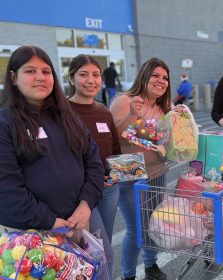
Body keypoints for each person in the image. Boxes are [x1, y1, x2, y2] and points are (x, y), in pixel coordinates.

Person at [0, 46, 104, 232]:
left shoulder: (67, 117)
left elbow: (93, 162)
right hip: (30, 233)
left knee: (102, 260)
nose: (40, 77)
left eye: (46, 71)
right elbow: (6, 185)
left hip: (76, 221)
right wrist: (48, 220)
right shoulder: (5, 123)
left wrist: (86, 203)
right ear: (14, 78)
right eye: (30, 71)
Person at [110, 57, 172, 280]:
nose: (161, 81)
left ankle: (150, 264)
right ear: (144, 76)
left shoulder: (162, 108)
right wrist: (132, 115)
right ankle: (128, 275)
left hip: (158, 171)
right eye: (155, 75)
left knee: (153, 223)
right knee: (136, 228)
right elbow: (113, 134)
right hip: (129, 170)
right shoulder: (125, 100)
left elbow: (166, 140)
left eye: (165, 78)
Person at [68, 54, 121, 278]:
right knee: (100, 251)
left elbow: (115, 151)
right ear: (71, 79)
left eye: (96, 75)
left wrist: (118, 172)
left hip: (109, 190)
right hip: (80, 196)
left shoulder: (104, 112)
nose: (91, 80)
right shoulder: (62, 113)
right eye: (83, 74)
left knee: (102, 243)